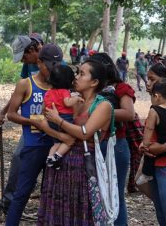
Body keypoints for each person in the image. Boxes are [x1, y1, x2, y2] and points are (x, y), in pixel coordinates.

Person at [36, 59, 112, 225]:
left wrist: (57, 121)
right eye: (77, 73)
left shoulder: (103, 106)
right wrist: (51, 126)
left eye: (82, 74)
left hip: (83, 168)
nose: (76, 77)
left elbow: (84, 134)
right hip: (61, 163)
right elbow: (62, 134)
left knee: (78, 213)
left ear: (94, 82)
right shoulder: (73, 101)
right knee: (59, 212)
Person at [5, 44, 63, 226]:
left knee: (52, 195)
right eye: (50, 65)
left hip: (57, 147)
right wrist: (33, 122)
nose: (54, 70)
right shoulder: (26, 84)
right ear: (39, 63)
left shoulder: (60, 85)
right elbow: (12, 114)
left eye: (57, 65)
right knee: (22, 194)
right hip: (33, 146)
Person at [0, 35, 43, 212]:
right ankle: (9, 202)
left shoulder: (55, 62)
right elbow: (19, 91)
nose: (23, 61)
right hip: (32, 123)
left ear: (33, 50)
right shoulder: (28, 65)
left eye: (24, 57)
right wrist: (4, 111)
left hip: (52, 123)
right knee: (20, 157)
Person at [90, 53, 135, 226]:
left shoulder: (121, 88)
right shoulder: (91, 88)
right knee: (96, 193)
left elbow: (129, 113)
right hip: (92, 144)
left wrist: (99, 113)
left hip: (115, 146)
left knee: (115, 194)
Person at [139, 61, 166, 225]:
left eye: (152, 79)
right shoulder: (157, 107)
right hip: (159, 165)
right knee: (164, 215)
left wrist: (162, 148)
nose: (148, 83)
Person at [140, 78, 166, 182]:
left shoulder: (154, 111)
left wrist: (145, 144)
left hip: (162, 152)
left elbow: (149, 128)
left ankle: (147, 174)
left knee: (149, 155)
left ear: (156, 96)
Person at [44, 64, 83, 169]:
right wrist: (76, 98)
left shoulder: (48, 92)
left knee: (56, 143)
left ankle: (49, 158)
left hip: (51, 120)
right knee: (69, 141)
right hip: (64, 118)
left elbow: (46, 106)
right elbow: (67, 103)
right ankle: (56, 157)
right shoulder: (65, 91)